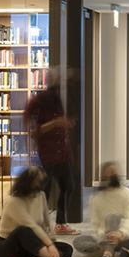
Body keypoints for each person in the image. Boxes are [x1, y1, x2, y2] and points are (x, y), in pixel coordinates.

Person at [25, 69, 79, 235]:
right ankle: (41, 225)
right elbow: (33, 130)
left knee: (68, 186)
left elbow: (66, 124)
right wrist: (54, 123)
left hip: (62, 153)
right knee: (44, 192)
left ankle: (60, 223)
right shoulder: (38, 101)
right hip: (46, 155)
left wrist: (67, 127)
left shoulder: (60, 100)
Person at [0, 167, 74, 257]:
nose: (42, 183)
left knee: (67, 249)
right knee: (23, 230)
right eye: (38, 180)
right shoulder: (14, 201)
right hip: (8, 249)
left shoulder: (41, 195)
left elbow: (46, 223)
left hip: (33, 246)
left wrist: (52, 245)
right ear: (28, 181)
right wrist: (50, 246)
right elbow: (32, 226)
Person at [73, 161, 129, 257]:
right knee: (78, 242)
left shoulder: (128, 194)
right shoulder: (97, 198)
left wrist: (120, 234)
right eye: (108, 173)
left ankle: (107, 255)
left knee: (114, 218)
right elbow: (97, 226)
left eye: (113, 172)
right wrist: (104, 239)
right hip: (105, 238)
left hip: (126, 237)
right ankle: (118, 254)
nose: (111, 175)